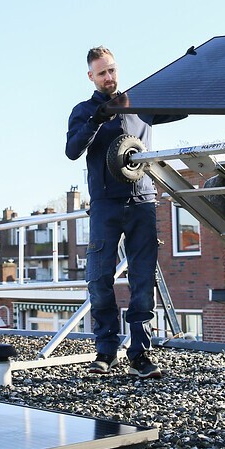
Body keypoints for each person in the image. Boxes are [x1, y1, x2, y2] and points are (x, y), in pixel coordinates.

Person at [66, 46, 185, 379]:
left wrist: (192, 75)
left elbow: (181, 109)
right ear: (91, 76)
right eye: (102, 72)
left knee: (143, 282)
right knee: (99, 280)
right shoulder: (83, 111)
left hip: (143, 201)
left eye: (112, 70)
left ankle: (140, 354)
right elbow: (72, 150)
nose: (109, 77)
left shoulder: (140, 104)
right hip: (105, 205)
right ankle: (105, 351)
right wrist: (96, 119)